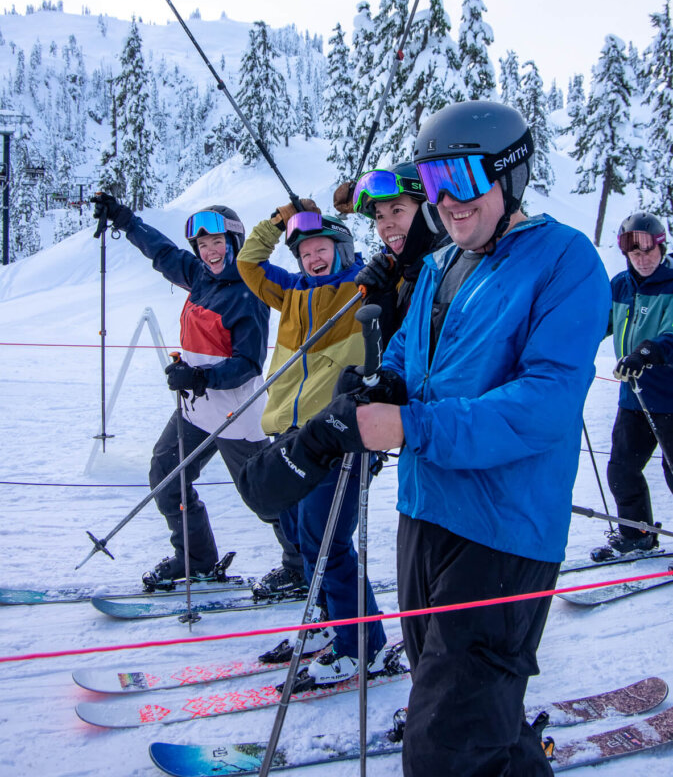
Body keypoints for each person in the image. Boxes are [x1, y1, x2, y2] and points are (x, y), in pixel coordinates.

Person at [237, 101, 611, 776]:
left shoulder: (564, 260)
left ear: (509, 174)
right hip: (425, 511)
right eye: (433, 185)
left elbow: (544, 404)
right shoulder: (440, 266)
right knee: (473, 718)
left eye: (463, 180)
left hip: (504, 529)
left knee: (443, 749)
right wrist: (376, 391)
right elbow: (413, 360)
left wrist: (409, 424)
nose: (449, 202)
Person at [91, 194, 298, 586]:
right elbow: (160, 251)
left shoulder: (247, 292)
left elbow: (248, 365)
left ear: (234, 243)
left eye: (217, 243)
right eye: (202, 245)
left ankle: (302, 565)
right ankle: (196, 558)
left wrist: (200, 378)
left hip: (235, 414)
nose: (210, 252)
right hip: (195, 409)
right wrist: (124, 218)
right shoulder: (199, 275)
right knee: (166, 474)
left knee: (264, 494)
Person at [236, 201, 387, 682]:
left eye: (322, 248)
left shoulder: (363, 285)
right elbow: (248, 262)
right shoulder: (292, 292)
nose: (313, 258)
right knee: (302, 536)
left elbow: (405, 263)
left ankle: (363, 644)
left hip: (339, 434)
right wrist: (280, 218)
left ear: (341, 249)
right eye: (305, 252)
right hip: (289, 432)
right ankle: (328, 619)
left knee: (329, 543)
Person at [592, 211, 673, 560]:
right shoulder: (620, 286)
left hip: (670, 397)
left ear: (661, 246)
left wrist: (645, 352)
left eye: (647, 251)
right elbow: (596, 323)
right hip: (635, 396)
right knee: (622, 470)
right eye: (633, 253)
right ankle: (637, 534)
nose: (641, 259)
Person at [349, 162, 448, 346]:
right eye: (380, 216)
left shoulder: (450, 274)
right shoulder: (409, 275)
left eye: (397, 210)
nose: (386, 224)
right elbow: (394, 352)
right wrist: (381, 298)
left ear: (430, 212)